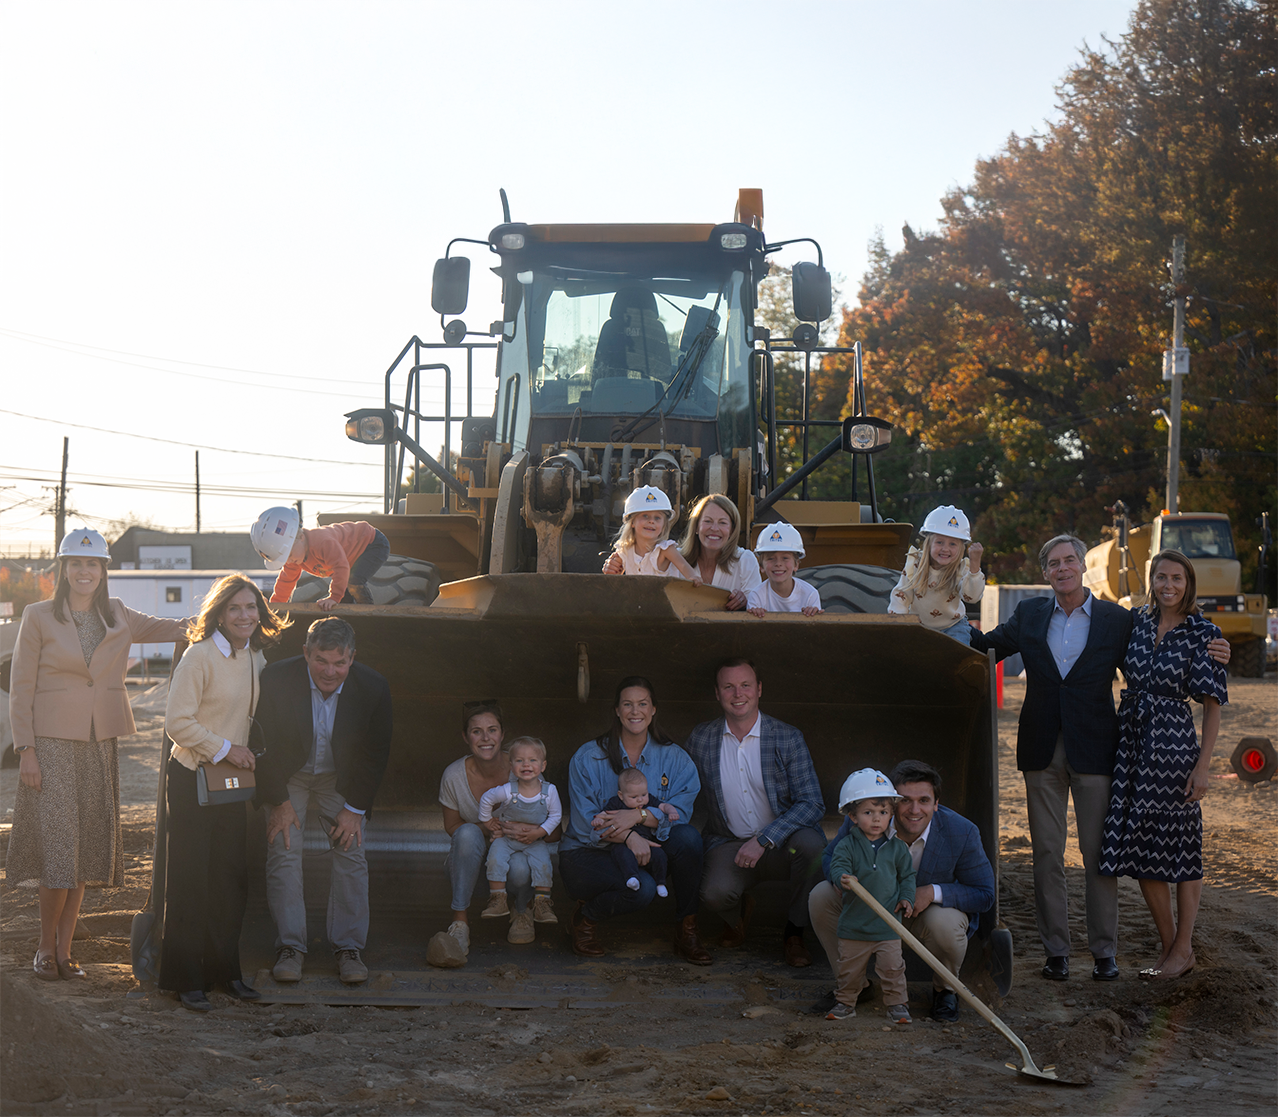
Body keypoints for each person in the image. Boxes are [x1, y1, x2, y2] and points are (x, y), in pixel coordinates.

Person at [970, 533, 1229, 982]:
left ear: (1082, 566)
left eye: (1070, 559)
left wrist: (1215, 646)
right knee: (1047, 854)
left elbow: (1165, 647)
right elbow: (982, 644)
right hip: (1040, 749)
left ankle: (1104, 953)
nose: (1063, 568)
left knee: (1098, 854)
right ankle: (1056, 954)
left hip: (1102, 749)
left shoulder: (1116, 619)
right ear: (1045, 572)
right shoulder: (1029, 614)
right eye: (1054, 563)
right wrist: (940, 614)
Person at [7, 528, 187, 983]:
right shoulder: (39, 615)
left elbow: (180, 627)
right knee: (59, 851)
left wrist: (234, 611)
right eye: (75, 563)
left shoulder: (119, 615)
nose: (84, 571)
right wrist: (26, 749)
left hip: (100, 744)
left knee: (85, 848)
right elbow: (21, 687)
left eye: (92, 564)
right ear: (63, 570)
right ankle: (45, 948)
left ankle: (66, 952)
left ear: (104, 569)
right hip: (49, 745)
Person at [160, 573, 288, 1011]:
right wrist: (226, 748)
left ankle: (225, 974)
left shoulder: (254, 658)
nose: (244, 615)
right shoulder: (199, 657)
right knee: (190, 880)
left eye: (251, 607)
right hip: (193, 777)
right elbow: (176, 722)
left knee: (230, 880)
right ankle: (184, 978)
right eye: (234, 608)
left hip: (230, 784)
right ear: (219, 613)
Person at [1099, 550, 1227, 981]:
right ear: (1151, 580)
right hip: (1132, 747)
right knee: (1142, 850)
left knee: (1182, 849)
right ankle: (1172, 948)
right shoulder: (1136, 622)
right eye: (1161, 577)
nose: (1168, 585)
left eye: (1177, 578)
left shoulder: (1204, 633)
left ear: (1189, 584)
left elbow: (1212, 708)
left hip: (1174, 750)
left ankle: (1183, 946)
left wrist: (1203, 767)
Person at [253, 617, 393, 986]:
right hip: (289, 775)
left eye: (340, 662)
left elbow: (375, 754)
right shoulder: (275, 679)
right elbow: (260, 746)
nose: (330, 672)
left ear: (352, 657)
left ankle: (348, 947)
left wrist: (355, 810)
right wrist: (279, 803)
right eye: (321, 661)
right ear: (305, 653)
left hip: (339, 778)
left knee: (352, 850)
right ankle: (290, 947)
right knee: (283, 847)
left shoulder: (373, 687)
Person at [809, 759, 995, 1021]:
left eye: (924, 800)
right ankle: (855, 986)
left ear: (936, 804)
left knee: (947, 923)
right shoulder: (864, 819)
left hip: (924, 916)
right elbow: (829, 857)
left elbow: (985, 894)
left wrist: (932, 892)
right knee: (821, 896)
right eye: (905, 800)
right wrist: (840, 879)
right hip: (868, 911)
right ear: (892, 801)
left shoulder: (962, 832)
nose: (914, 809)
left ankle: (945, 990)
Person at [558, 677, 711, 964]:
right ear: (617, 710)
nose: (635, 711)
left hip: (645, 843)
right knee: (644, 890)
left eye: (642, 704)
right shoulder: (588, 757)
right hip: (588, 854)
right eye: (627, 704)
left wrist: (638, 814)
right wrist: (631, 836)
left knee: (688, 838)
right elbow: (584, 823)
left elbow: (682, 812)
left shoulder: (675, 758)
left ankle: (687, 928)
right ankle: (583, 921)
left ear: (653, 710)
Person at [685, 659, 826, 966]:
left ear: (759, 689)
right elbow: (690, 798)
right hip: (729, 842)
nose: (738, 693)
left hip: (782, 843)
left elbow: (813, 803)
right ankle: (737, 914)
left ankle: (794, 933)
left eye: (746, 685)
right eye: (729, 686)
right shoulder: (701, 738)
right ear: (717, 693)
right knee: (715, 894)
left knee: (814, 848)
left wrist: (764, 839)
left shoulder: (787, 737)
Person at [430, 701, 545, 964]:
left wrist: (524, 831)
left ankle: (522, 910)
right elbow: (452, 828)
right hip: (475, 868)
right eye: (476, 731)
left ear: (503, 735)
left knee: (518, 864)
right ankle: (460, 923)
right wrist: (488, 828)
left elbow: (554, 832)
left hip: (517, 862)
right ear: (465, 736)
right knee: (467, 833)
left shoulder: (525, 770)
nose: (485, 738)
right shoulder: (454, 776)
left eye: (492, 730)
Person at [823, 768, 916, 1022]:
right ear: (852, 816)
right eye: (868, 813)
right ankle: (845, 1002)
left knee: (893, 969)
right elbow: (838, 865)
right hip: (854, 926)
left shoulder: (897, 848)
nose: (877, 819)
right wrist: (842, 878)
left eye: (883, 813)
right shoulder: (847, 845)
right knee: (849, 970)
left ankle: (897, 1005)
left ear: (891, 815)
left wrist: (907, 898)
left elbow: (907, 876)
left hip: (888, 925)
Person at [477, 736, 561, 926]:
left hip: (535, 841)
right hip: (506, 839)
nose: (526, 765)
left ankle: (542, 904)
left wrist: (539, 833)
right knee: (495, 859)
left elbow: (556, 816)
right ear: (511, 765)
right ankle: (497, 899)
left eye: (533, 760)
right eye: (519, 760)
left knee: (544, 865)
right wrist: (487, 821)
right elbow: (487, 799)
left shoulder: (550, 791)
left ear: (543, 765)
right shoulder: (507, 790)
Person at [251, 506, 391, 610]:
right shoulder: (294, 555)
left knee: (354, 581)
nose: (288, 561)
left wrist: (333, 597)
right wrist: (275, 607)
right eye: (284, 559)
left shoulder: (322, 542)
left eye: (289, 556)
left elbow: (341, 567)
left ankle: (369, 614)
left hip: (370, 544)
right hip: (348, 557)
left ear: (300, 537)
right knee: (343, 600)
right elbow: (286, 582)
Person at [887, 505, 985, 645]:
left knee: (957, 655)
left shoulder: (961, 570)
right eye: (939, 542)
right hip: (919, 626)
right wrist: (900, 625)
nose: (945, 549)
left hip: (953, 627)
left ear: (961, 547)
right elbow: (901, 596)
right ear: (928, 543)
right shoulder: (915, 565)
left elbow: (972, 597)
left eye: (952, 544)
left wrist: (975, 566)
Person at [596, 767, 680, 895]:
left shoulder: (648, 800)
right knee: (622, 855)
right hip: (622, 843)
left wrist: (671, 811)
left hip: (647, 842)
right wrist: (598, 820)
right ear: (621, 795)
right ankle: (632, 877)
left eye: (643, 794)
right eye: (634, 797)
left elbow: (663, 806)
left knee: (660, 855)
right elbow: (604, 814)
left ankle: (660, 882)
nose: (640, 799)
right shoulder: (616, 803)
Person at [673, 494, 762, 610]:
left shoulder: (745, 561)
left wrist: (746, 601)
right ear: (696, 527)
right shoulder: (675, 559)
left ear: (732, 530)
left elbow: (757, 608)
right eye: (708, 521)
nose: (714, 528)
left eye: (723, 522)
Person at [601, 486, 702, 582]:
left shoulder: (665, 549)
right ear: (632, 522)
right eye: (645, 516)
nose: (651, 521)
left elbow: (685, 568)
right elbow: (613, 576)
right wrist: (611, 568)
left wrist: (693, 577)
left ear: (664, 525)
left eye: (657, 518)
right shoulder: (625, 551)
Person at [746, 523, 822, 616]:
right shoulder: (756, 596)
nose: (778, 564)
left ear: (796, 564)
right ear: (761, 566)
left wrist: (812, 615)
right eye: (771, 558)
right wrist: (755, 616)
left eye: (785, 558)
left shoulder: (810, 594)